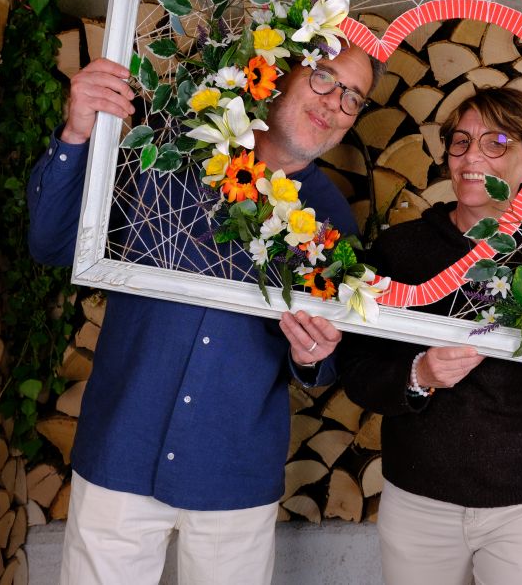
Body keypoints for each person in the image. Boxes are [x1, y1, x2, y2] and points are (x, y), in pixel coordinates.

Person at [27, 43, 379, 584]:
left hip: (232, 477)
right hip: (122, 448)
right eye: (324, 77)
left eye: (353, 97)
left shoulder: (333, 226)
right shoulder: (170, 154)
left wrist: (314, 355)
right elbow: (52, 244)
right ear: (280, 74)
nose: (335, 102)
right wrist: (77, 132)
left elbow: (328, 362)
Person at [338, 87, 522, 585]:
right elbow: (357, 371)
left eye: (496, 142)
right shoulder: (398, 253)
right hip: (419, 498)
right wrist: (418, 374)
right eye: (461, 141)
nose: (471, 156)